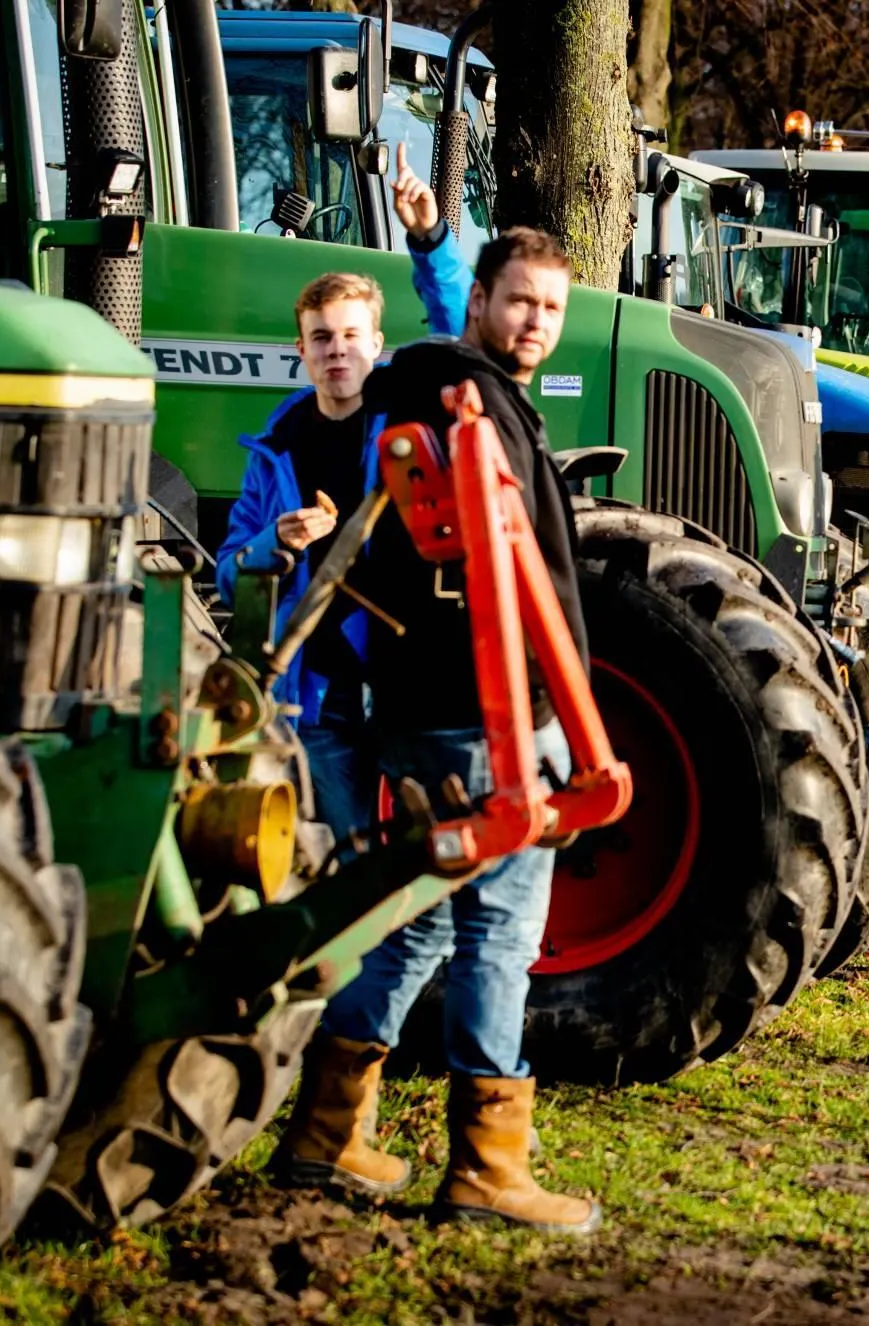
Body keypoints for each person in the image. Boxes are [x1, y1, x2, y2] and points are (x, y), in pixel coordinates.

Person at [274, 153, 598, 1234]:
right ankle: (488, 1165)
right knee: (500, 931)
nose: (537, 320)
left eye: (552, 306)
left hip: (450, 702)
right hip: (479, 709)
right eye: (521, 301)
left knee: (414, 927)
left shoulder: (473, 396)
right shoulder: (460, 398)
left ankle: (325, 1133)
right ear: (486, 302)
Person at [215, 272, 388, 845]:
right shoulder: (274, 451)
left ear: (376, 345)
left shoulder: (407, 431)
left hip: (403, 686)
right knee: (347, 859)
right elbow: (225, 576)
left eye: (349, 335)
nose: (336, 349)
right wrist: (274, 542)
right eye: (320, 338)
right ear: (301, 352)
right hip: (320, 695)